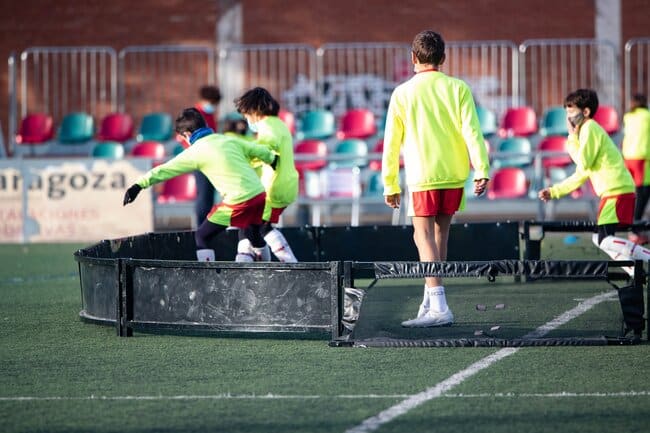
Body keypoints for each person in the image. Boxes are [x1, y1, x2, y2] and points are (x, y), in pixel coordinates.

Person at [382, 30, 490, 328]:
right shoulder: (458, 87)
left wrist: (389, 184)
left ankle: (439, 305)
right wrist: (481, 169)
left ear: (413, 58)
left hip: (422, 175)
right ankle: (430, 301)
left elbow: (391, 143)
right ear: (443, 58)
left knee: (422, 237)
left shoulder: (402, 93)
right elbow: (472, 131)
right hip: (454, 174)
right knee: (440, 236)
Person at [123, 107, 278, 262]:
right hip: (259, 194)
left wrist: (138, 185)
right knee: (254, 235)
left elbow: (164, 170)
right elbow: (257, 149)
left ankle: (208, 279)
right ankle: (267, 273)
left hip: (238, 202)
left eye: (183, 138)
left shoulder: (196, 151)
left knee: (202, 236)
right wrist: (272, 159)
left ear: (188, 134)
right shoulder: (226, 139)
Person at [538, 89, 650, 273]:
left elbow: (583, 162)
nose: (568, 117)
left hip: (616, 191)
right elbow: (582, 172)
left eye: (571, 111)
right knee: (599, 239)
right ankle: (634, 271)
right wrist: (554, 191)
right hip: (615, 191)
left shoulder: (589, 128)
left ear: (586, 112)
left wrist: (571, 138)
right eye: (566, 112)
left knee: (603, 239)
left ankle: (644, 258)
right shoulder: (587, 130)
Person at [234, 87, 299, 262]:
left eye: (246, 115)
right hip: (283, 184)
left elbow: (264, 148)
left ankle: (292, 266)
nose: (247, 120)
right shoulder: (278, 123)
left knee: (256, 228)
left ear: (254, 110)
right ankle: (246, 262)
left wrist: (238, 160)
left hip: (274, 187)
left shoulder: (268, 126)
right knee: (251, 226)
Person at [622, 93, 650, 244]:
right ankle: (635, 229)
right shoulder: (647, 115)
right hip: (642, 157)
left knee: (635, 192)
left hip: (628, 157)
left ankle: (632, 225)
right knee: (643, 191)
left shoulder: (628, 117)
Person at [194, 85, 223, 226]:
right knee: (204, 197)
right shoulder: (195, 115)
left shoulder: (209, 115)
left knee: (209, 197)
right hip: (201, 160)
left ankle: (208, 226)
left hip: (212, 159)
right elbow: (183, 138)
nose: (213, 106)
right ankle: (201, 227)